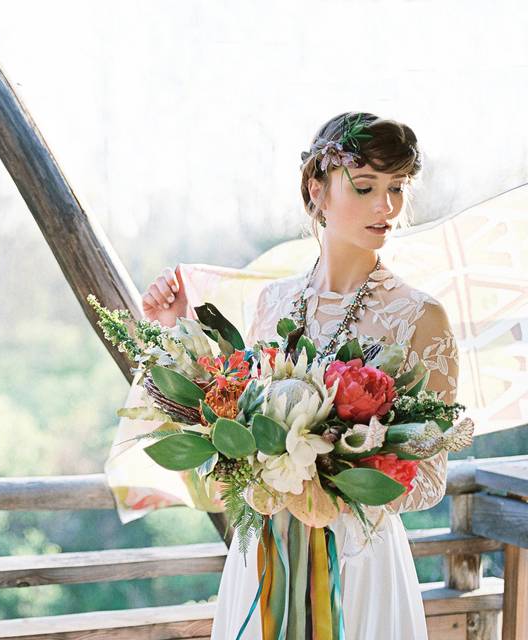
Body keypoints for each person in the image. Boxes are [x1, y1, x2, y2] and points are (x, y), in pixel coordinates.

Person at [141, 112, 459, 639]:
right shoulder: (273, 302)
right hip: (267, 556)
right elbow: (229, 412)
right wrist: (176, 329)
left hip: (359, 564)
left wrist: (328, 477)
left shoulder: (421, 318)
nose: (387, 207)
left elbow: (429, 479)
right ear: (318, 188)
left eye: (397, 188)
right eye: (366, 186)